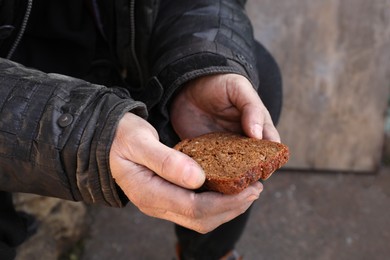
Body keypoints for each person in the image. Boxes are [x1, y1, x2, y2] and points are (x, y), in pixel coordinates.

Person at [0, 0, 282, 259]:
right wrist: (92, 132)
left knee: (250, 84)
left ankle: (206, 253)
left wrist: (204, 64)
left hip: (110, 44)